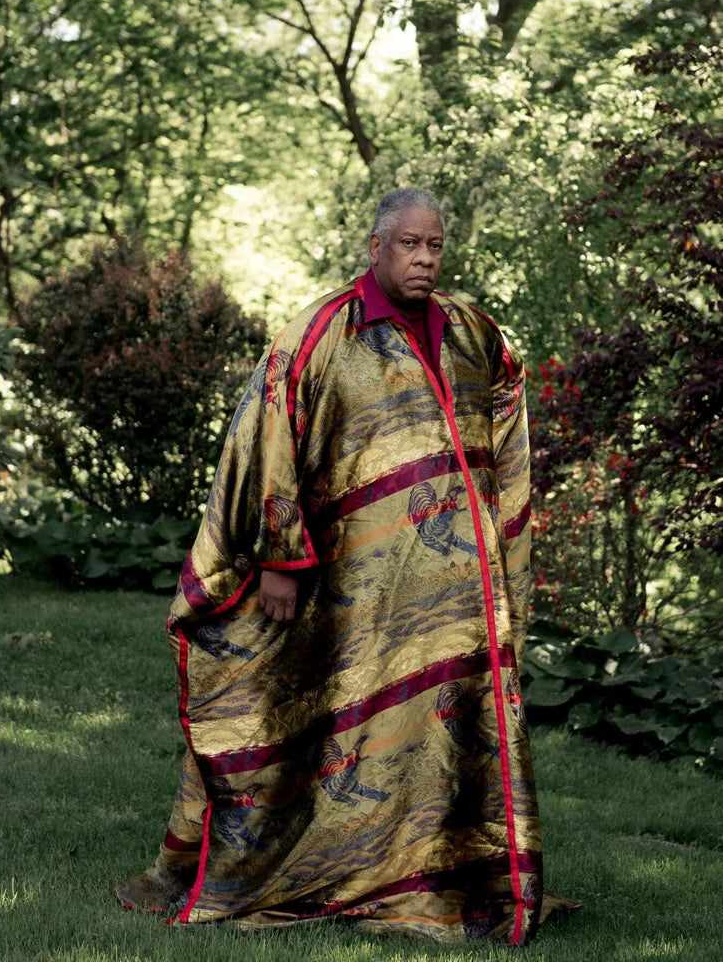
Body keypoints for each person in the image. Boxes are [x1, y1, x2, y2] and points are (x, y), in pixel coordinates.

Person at [117, 187, 564, 944]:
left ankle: (448, 879)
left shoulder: (471, 332)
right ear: (376, 247)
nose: (424, 259)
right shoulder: (321, 334)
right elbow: (269, 434)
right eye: (409, 246)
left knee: (447, 736)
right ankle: (320, 866)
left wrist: (499, 533)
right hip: (350, 590)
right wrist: (281, 557)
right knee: (327, 722)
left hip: (455, 599)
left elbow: (508, 405)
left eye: (435, 246)